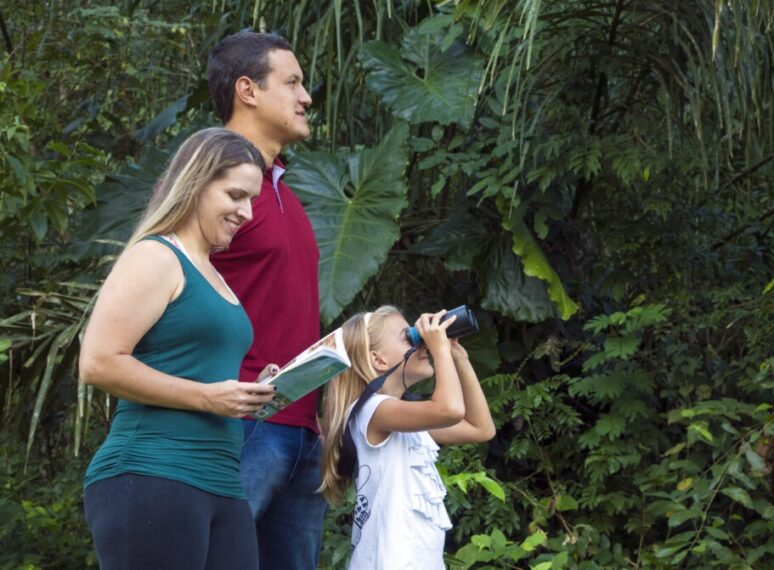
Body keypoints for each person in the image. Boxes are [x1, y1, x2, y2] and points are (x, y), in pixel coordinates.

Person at [80, 127, 278, 570]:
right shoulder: (156, 257)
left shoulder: (213, 271)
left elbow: (195, 367)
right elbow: (97, 362)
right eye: (235, 195)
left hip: (222, 482)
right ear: (196, 183)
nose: (246, 212)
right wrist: (208, 396)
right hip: (153, 470)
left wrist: (249, 392)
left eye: (252, 199)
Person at [206, 32, 327, 569]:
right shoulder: (209, 183)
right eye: (293, 82)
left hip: (302, 430)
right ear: (248, 90)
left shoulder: (287, 194)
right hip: (239, 425)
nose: (306, 97)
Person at [319, 306, 496, 569]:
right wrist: (440, 351)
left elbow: (481, 429)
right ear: (378, 359)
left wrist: (458, 357)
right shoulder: (372, 411)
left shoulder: (403, 417)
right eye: (409, 336)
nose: (422, 342)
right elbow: (450, 409)